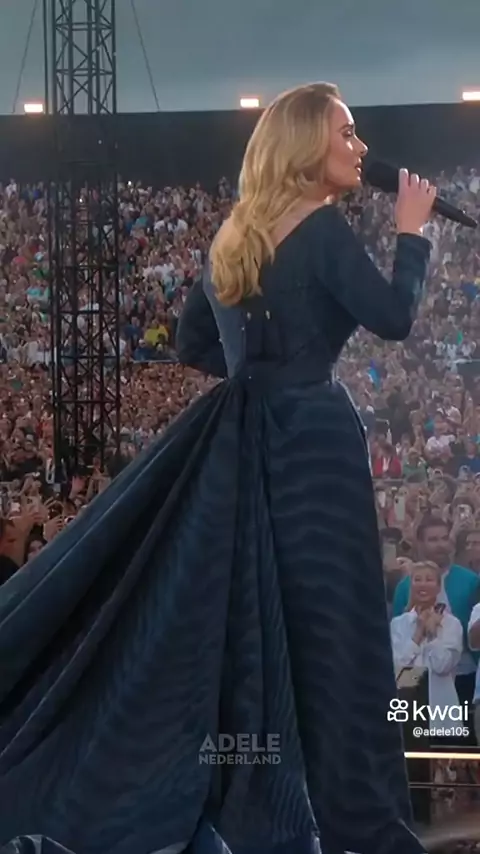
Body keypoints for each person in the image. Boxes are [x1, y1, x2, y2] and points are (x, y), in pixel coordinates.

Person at [0, 83, 435, 854]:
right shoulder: (324, 232)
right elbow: (394, 318)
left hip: (243, 443)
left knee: (260, 626)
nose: (361, 147)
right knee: (336, 638)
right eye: (346, 132)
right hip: (315, 450)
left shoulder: (234, 238)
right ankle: (352, 820)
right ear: (305, 146)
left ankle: (260, 797)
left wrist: (253, 376)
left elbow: (191, 343)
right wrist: (412, 235)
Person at [390, 561, 463, 720]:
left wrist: (432, 633)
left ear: (438, 587)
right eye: (417, 579)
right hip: (407, 706)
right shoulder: (398, 624)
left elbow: (442, 665)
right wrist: (418, 634)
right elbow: (398, 666)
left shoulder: (452, 624)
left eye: (429, 580)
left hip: (441, 708)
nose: (423, 584)